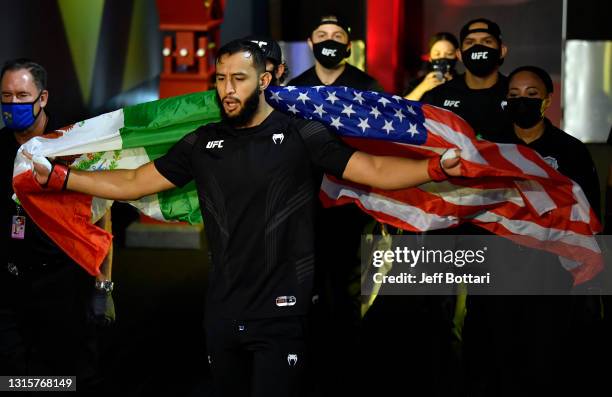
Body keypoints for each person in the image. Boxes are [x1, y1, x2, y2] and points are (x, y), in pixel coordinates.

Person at [26, 40, 462, 396]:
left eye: (239, 79)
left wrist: (435, 168)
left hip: (282, 311)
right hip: (221, 308)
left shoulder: (301, 134)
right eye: (220, 79)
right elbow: (132, 182)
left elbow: (374, 169)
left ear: (265, 80)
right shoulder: (202, 142)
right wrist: (64, 178)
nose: (228, 89)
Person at [0, 59, 114, 388]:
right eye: (6, 96)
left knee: (65, 379)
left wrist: (103, 286)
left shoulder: (72, 146)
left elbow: (102, 215)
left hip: (63, 285)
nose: (13, 104)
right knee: (15, 378)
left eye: (22, 96)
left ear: (43, 98)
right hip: (10, 288)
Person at [421, 18, 510, 141]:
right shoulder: (437, 97)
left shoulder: (516, 95)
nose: (478, 47)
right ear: (459, 55)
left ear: (502, 51)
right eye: (470, 42)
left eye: (487, 41)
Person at [288, 14, 383, 91]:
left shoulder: (368, 87)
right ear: (310, 43)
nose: (329, 41)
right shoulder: (295, 88)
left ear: (348, 45)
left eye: (337, 36)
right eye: (322, 35)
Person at [404, 32, 459, 101]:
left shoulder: (464, 83)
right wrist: (422, 88)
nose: (442, 58)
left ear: (457, 56)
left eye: (449, 54)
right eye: (437, 54)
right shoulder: (416, 83)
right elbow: (402, 107)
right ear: (430, 57)